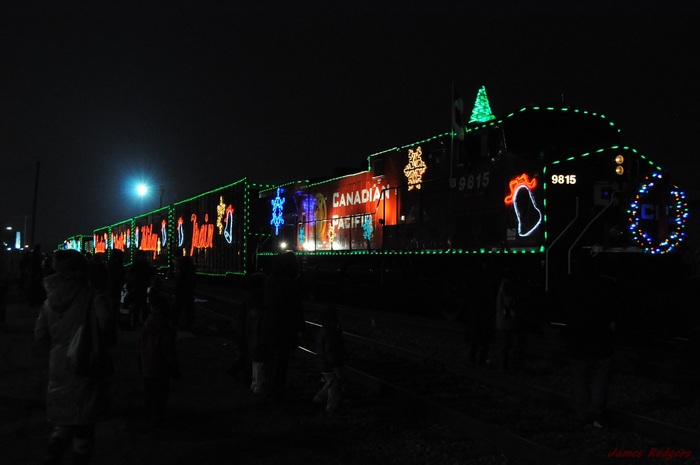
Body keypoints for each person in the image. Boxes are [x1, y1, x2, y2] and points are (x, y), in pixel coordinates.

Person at [34, 249, 116, 465]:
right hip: (86, 363)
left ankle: (53, 455)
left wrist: (58, 349)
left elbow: (40, 335)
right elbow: (107, 326)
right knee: (85, 422)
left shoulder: (49, 301)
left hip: (59, 366)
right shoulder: (93, 296)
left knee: (65, 420)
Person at [564, 257, 616, 428]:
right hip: (600, 338)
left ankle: (582, 413)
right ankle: (597, 411)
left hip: (578, 340)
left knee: (580, 378)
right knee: (601, 374)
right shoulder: (605, 286)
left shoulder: (572, 287)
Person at [260, 251, 305, 401]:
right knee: (281, 361)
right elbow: (295, 308)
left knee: (273, 360)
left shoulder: (270, 280)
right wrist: (300, 328)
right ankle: (276, 392)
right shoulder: (291, 284)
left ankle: (270, 389)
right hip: (284, 328)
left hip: (270, 325)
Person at [139, 291, 181, 426]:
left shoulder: (146, 326)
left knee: (149, 394)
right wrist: (175, 369)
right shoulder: (166, 329)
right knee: (161, 395)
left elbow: (140, 347)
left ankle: (148, 417)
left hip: (147, 367)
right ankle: (157, 419)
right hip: (161, 369)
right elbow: (169, 352)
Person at [313, 306, 347, 412]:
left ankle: (319, 398)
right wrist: (336, 368)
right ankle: (332, 407)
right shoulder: (331, 335)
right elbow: (332, 353)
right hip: (331, 366)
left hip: (324, 364)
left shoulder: (322, 332)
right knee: (334, 386)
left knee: (330, 382)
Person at [495, 269, 526, 370]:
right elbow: (510, 303)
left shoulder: (504, 284)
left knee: (507, 343)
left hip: (505, 320)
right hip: (509, 320)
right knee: (509, 343)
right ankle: (507, 365)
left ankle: (505, 365)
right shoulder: (508, 285)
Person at [244, 272, 268, 393]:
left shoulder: (249, 301)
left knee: (255, 361)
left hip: (252, 337)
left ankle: (254, 383)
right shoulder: (260, 303)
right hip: (258, 337)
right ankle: (258, 385)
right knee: (259, 362)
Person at [173, 256, 196, 330]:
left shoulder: (182, 272)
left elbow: (179, 282)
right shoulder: (191, 270)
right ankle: (190, 323)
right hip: (188, 291)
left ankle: (176, 322)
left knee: (178, 308)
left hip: (182, 292)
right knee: (189, 308)